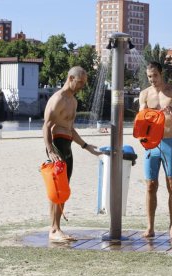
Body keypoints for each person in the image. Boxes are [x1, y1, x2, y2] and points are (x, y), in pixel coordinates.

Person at [43, 66, 101, 242]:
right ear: (70, 78)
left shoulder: (73, 101)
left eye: (84, 82)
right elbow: (46, 126)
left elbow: (70, 128)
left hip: (67, 145)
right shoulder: (58, 99)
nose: (82, 85)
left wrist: (85, 146)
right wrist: (51, 150)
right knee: (57, 188)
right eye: (80, 82)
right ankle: (53, 229)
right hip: (57, 144)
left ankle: (57, 228)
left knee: (64, 188)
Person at [138, 61, 172, 238]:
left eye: (155, 75)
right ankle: (150, 227)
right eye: (149, 76)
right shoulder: (144, 94)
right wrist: (144, 115)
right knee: (150, 185)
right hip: (151, 144)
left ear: (161, 73)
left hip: (169, 141)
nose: (152, 79)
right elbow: (140, 119)